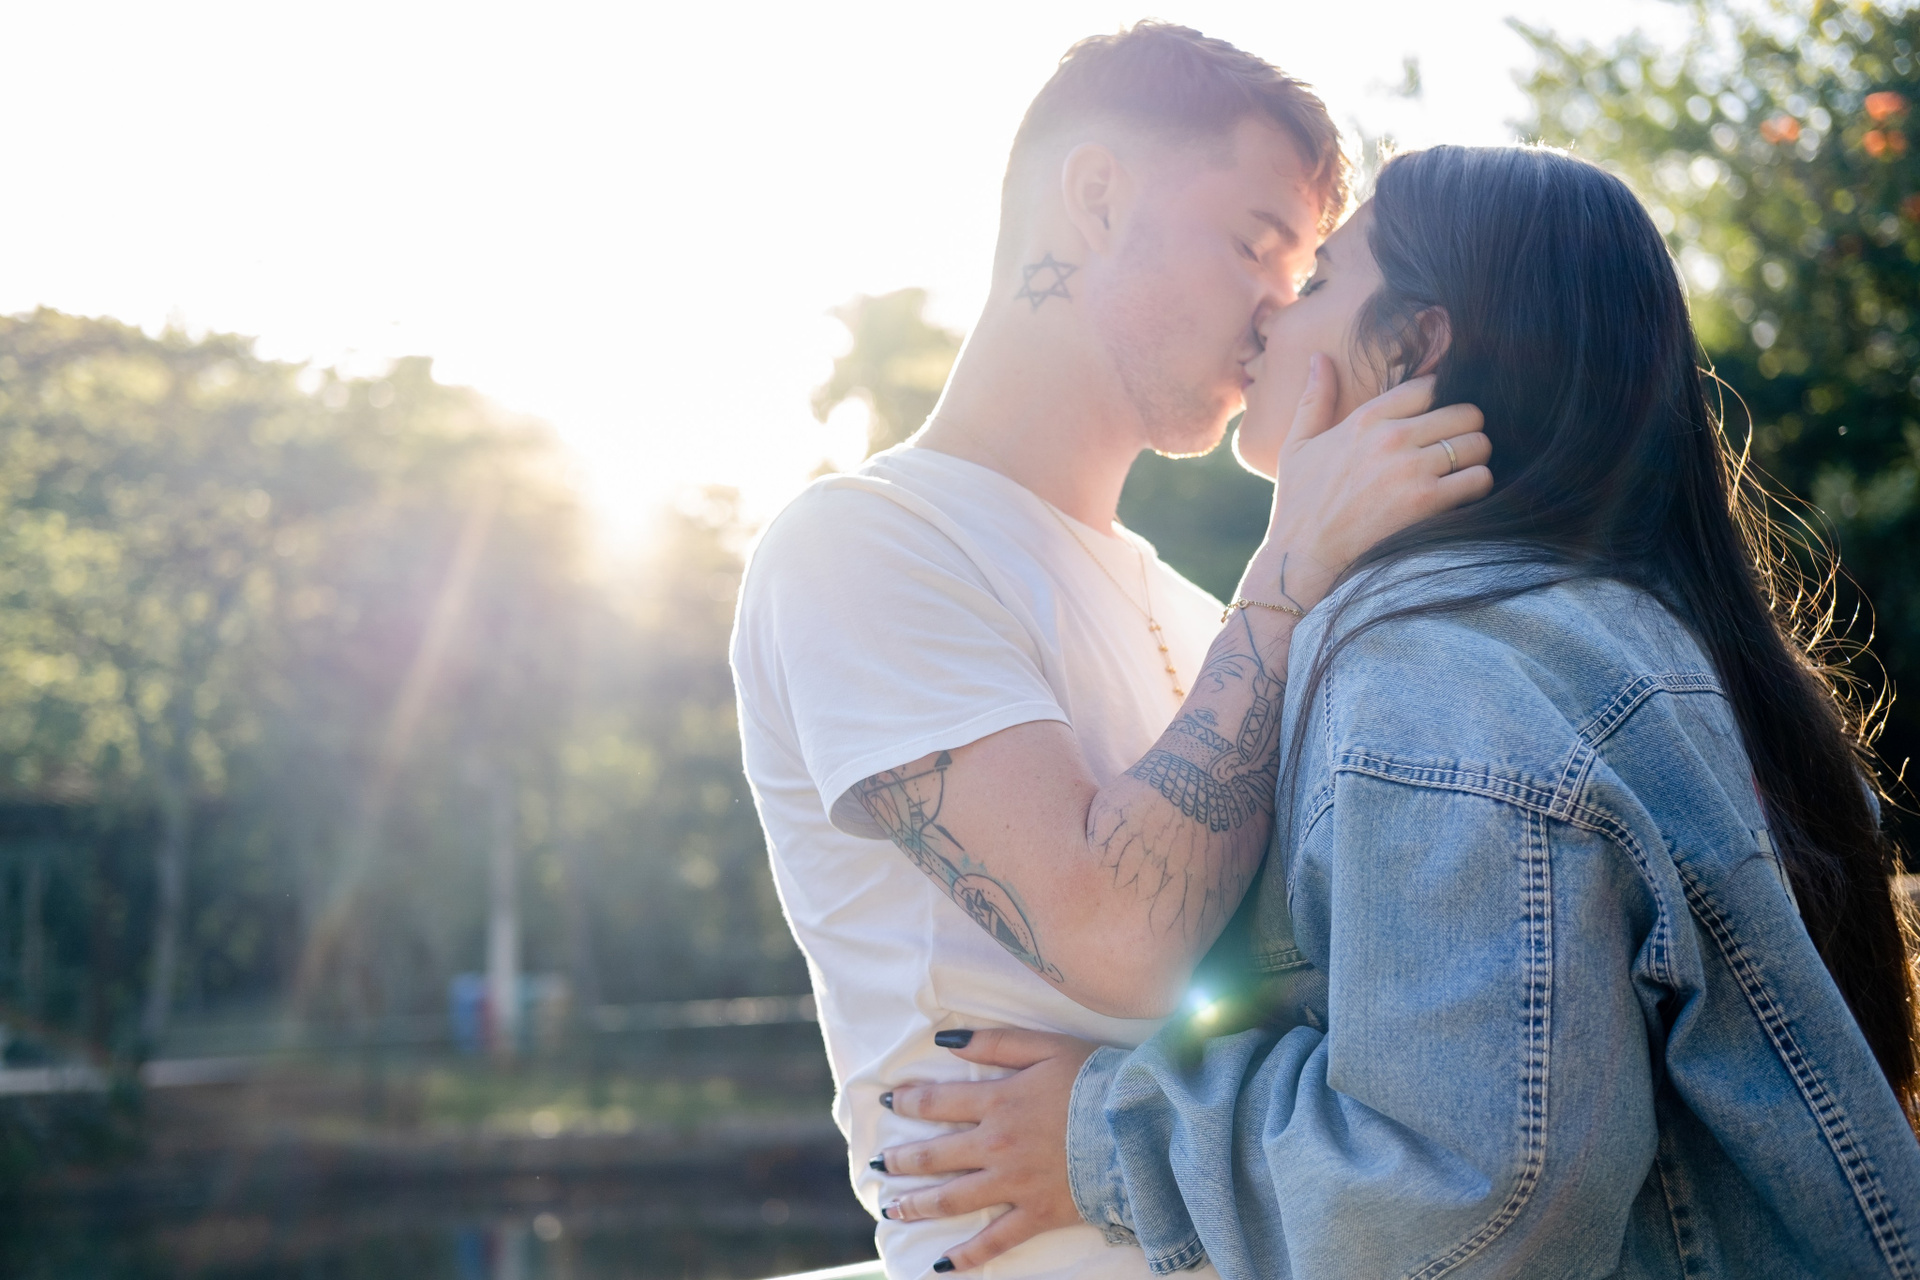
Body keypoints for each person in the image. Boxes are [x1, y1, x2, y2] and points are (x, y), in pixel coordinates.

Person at [869, 146, 1920, 1278]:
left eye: (1317, 276)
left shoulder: (1434, 664)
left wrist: (1105, 1133)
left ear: (1417, 349)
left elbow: (1459, 1195)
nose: (1273, 308)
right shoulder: (1619, 626)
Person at [729, 25, 1491, 1280]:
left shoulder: (1200, 610)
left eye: (1303, 270)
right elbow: (1122, 938)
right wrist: (1294, 565)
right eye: (1253, 241)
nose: (1276, 307)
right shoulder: (863, 545)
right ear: (1094, 197)